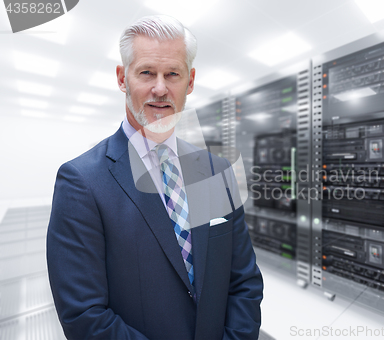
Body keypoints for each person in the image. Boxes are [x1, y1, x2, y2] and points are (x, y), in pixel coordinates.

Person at [46, 15, 263, 340]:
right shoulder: (82, 182)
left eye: (172, 74)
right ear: (122, 78)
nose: (160, 88)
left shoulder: (214, 170)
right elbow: (84, 315)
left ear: (189, 82)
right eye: (146, 72)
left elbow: (243, 282)